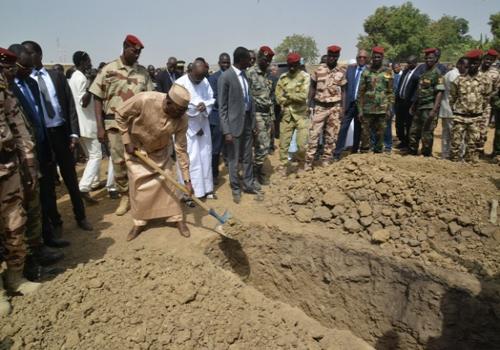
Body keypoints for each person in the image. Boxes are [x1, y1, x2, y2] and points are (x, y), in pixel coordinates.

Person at [22, 40, 93, 233]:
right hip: (42, 138)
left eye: (28, 53)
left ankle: (81, 217)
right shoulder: (27, 81)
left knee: (70, 178)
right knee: (47, 183)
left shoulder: (57, 77)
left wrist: (73, 133)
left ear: (39, 54)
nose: (25, 57)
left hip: (61, 134)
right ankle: (57, 223)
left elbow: (70, 105)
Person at [7, 44, 65, 277]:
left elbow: (36, 119)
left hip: (37, 148)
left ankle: (43, 244)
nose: (28, 72)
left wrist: (45, 148)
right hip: (16, 159)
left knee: (41, 198)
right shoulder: (8, 88)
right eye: (24, 67)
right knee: (20, 211)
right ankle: (27, 262)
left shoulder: (29, 82)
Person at [115, 84, 192, 241]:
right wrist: (126, 140)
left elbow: (181, 150)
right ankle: (139, 223)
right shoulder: (145, 99)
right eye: (178, 111)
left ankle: (177, 219)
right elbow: (119, 114)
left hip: (161, 153)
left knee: (170, 185)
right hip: (137, 152)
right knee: (138, 189)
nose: (180, 115)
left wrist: (187, 179)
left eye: (183, 111)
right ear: (168, 102)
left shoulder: (182, 118)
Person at [88, 34, 153, 216]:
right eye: (134, 51)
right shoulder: (108, 70)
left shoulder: (143, 73)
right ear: (125, 47)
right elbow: (97, 97)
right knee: (118, 162)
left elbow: (150, 99)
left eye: (139, 52)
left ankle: (140, 196)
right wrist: (100, 127)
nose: (137, 55)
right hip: (114, 124)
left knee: (140, 161)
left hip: (137, 126)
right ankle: (125, 195)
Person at [0, 48, 41, 315]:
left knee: (15, 224)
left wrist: (29, 164)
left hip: (8, 167)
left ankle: (15, 277)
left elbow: (18, 127)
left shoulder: (4, 90)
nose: (9, 72)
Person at [69, 51, 114, 202]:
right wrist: (91, 82)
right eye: (88, 60)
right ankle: (84, 187)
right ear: (82, 61)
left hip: (80, 124)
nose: (90, 63)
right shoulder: (81, 78)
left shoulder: (74, 76)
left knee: (90, 155)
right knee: (96, 156)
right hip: (88, 123)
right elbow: (84, 102)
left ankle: (94, 182)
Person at [218, 47, 260, 204]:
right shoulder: (226, 77)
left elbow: (250, 100)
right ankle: (236, 188)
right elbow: (222, 107)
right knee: (234, 159)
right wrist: (226, 130)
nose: (250, 62)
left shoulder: (245, 76)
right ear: (241, 59)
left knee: (248, 156)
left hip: (248, 122)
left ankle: (248, 184)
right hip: (233, 126)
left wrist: (254, 122)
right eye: (248, 59)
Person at [175, 59, 215, 199]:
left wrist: (205, 106)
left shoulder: (204, 81)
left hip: (203, 124)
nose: (198, 81)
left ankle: (206, 189)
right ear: (190, 71)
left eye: (201, 78)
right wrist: (193, 128)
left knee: (205, 156)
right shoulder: (180, 84)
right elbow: (176, 110)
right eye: (196, 78)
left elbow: (211, 99)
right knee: (190, 160)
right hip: (186, 128)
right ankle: (189, 194)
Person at [305, 45, 346, 170]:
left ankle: (326, 161)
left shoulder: (341, 72)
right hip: (320, 107)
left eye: (335, 56)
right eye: (330, 56)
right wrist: (308, 104)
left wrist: (343, 108)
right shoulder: (318, 70)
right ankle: (308, 163)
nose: (332, 58)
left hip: (334, 107)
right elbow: (312, 87)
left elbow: (344, 90)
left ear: (338, 57)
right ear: (327, 55)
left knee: (331, 137)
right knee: (313, 136)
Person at [449, 50, 493, 162]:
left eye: (476, 63)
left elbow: (487, 97)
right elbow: (452, 97)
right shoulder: (459, 79)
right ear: (467, 63)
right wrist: (455, 111)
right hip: (459, 116)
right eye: (471, 62)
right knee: (455, 143)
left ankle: (469, 165)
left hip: (476, 117)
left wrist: (479, 110)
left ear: (480, 63)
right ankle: (453, 164)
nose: (473, 65)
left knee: (473, 144)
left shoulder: (485, 80)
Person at [275, 52, 310, 174]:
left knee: (301, 144)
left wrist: (288, 95)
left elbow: (303, 96)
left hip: (301, 115)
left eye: (294, 65)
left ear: (298, 64)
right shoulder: (283, 77)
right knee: (283, 144)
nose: (291, 68)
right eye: (290, 65)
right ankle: (284, 165)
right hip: (286, 115)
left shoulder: (305, 76)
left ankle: (301, 164)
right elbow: (278, 97)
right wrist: (290, 97)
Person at [408, 48, 444, 157]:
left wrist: (434, 110)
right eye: (427, 58)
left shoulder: (437, 74)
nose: (428, 60)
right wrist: (414, 105)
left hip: (429, 107)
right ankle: (412, 151)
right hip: (419, 106)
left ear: (436, 59)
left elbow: (439, 93)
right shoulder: (424, 73)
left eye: (431, 58)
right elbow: (420, 91)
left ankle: (426, 154)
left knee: (427, 132)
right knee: (414, 130)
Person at [247, 46, 275, 184]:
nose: (268, 62)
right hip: (256, 113)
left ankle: (257, 169)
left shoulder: (267, 74)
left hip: (267, 114)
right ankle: (255, 173)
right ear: (259, 58)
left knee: (264, 144)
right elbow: (246, 96)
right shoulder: (251, 73)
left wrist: (272, 117)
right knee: (262, 144)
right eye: (265, 59)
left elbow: (269, 97)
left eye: (269, 60)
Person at [358, 47, 394, 153]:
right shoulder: (366, 72)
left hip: (382, 109)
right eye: (374, 57)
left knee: (380, 134)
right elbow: (361, 93)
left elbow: (390, 92)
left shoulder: (388, 72)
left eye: (378, 57)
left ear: (382, 57)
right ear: (371, 57)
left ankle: (378, 155)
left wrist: (389, 109)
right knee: (365, 134)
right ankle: (364, 153)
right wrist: (360, 110)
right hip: (367, 109)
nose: (376, 58)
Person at [333, 50, 367, 159]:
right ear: (356, 58)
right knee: (343, 128)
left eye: (364, 57)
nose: (361, 59)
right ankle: (337, 153)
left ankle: (355, 150)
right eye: (359, 57)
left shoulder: (369, 71)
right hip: (349, 104)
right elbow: (344, 87)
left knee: (358, 129)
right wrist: (342, 105)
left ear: (367, 59)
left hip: (362, 106)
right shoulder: (350, 69)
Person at [207, 53, 230, 185]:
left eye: (228, 63)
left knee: (230, 146)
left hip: (230, 118)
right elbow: (213, 98)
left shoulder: (233, 77)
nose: (225, 65)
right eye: (223, 63)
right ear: (219, 63)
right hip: (217, 118)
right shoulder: (213, 78)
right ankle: (214, 173)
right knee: (216, 149)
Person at [439, 57, 468, 159]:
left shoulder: (449, 73)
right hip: (453, 109)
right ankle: (458, 155)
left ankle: (445, 154)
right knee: (456, 134)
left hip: (446, 108)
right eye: (465, 66)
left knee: (446, 133)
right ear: (459, 64)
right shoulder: (455, 75)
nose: (467, 69)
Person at [478, 49, 500, 157]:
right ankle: (470, 149)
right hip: (472, 104)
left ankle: (480, 149)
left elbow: (497, 89)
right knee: (472, 127)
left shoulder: (495, 73)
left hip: (486, 105)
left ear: (494, 61)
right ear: (483, 58)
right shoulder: (476, 69)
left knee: (483, 128)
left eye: (491, 60)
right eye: (487, 59)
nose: (488, 61)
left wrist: (489, 96)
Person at [394, 55, 419, 150]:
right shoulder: (405, 72)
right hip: (400, 101)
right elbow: (400, 84)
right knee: (399, 123)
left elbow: (417, 90)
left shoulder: (417, 74)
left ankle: (408, 143)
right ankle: (402, 141)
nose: (408, 65)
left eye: (410, 63)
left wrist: (413, 103)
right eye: (407, 62)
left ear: (415, 63)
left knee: (408, 124)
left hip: (409, 103)